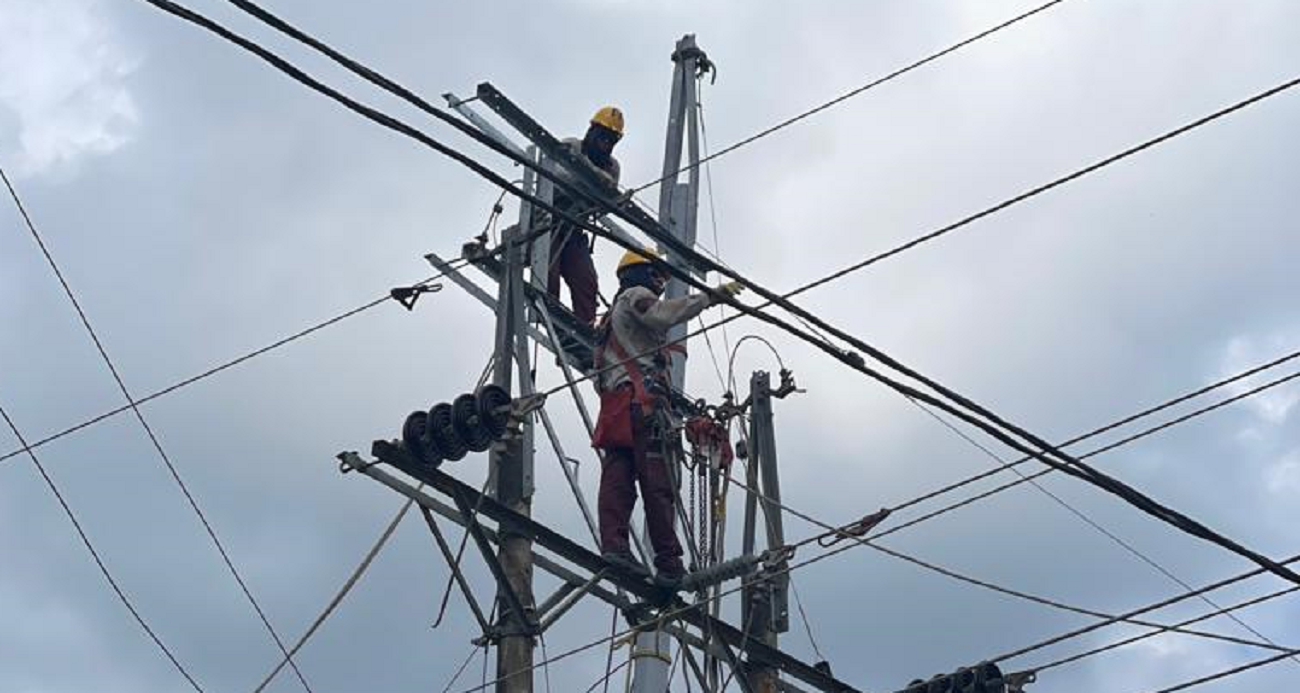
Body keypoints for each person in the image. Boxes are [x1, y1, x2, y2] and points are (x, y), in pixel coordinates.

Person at [591, 247, 742, 584]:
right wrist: (708, 298)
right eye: (656, 273)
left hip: (616, 409)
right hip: (641, 408)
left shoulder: (607, 320)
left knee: (617, 480)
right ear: (640, 272)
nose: (660, 281)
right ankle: (669, 564)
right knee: (658, 484)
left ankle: (615, 547)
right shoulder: (636, 295)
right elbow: (660, 315)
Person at [547, 106, 625, 325]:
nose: (605, 144)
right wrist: (593, 176)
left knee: (586, 281)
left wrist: (597, 181)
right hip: (547, 221)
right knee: (548, 273)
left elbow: (605, 203)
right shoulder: (571, 147)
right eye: (602, 137)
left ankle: (585, 331)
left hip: (574, 229)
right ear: (592, 131)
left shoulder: (612, 167)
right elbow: (558, 178)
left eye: (611, 140)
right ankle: (552, 318)